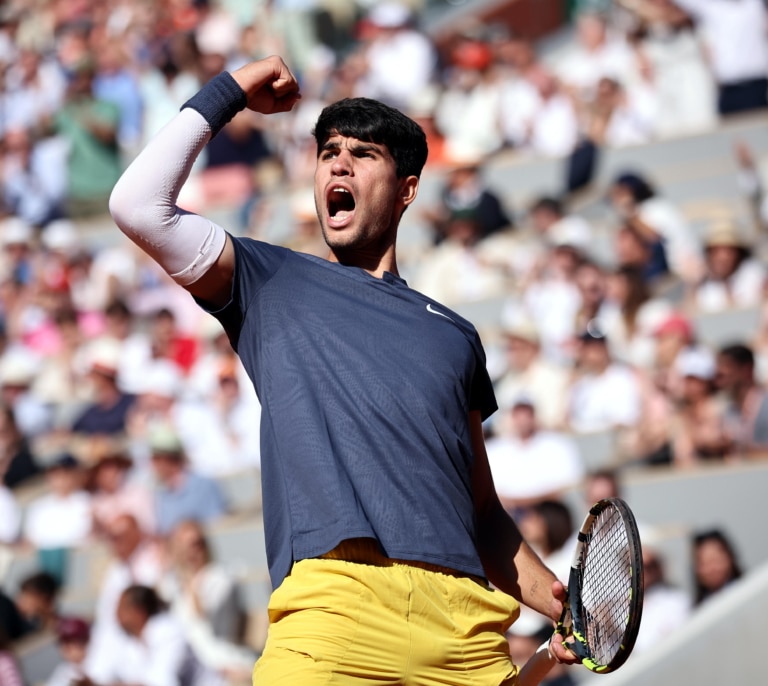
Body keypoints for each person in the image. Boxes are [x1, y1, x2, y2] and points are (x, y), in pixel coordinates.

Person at [109, 55, 575, 684]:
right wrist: (233, 91)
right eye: (329, 151)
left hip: (466, 634)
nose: (339, 163)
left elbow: (482, 514)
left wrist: (556, 601)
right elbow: (138, 205)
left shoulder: (456, 336)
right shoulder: (267, 280)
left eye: (364, 153)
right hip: (333, 617)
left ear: (408, 187)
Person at [692, 528, 743, 606]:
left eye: (715, 560)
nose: (712, 569)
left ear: (730, 557)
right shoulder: (698, 609)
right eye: (705, 563)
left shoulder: (745, 592)